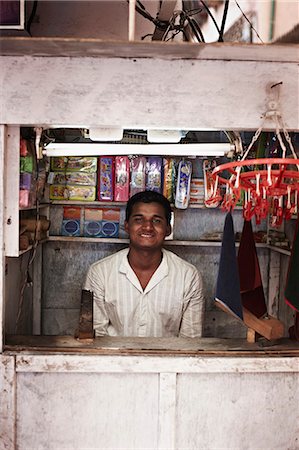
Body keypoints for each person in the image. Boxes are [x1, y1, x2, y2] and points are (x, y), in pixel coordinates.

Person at [83, 190, 205, 338]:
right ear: (127, 226)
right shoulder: (100, 273)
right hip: (115, 360)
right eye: (139, 219)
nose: (147, 227)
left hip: (169, 360)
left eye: (156, 220)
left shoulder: (188, 276)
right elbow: (96, 337)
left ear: (168, 229)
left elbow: (190, 341)